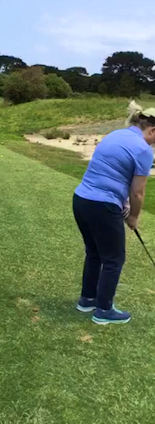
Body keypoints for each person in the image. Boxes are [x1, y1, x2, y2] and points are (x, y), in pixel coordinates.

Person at [73, 101, 155, 325]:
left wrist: (124, 206)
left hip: (81, 199)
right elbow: (137, 193)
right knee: (114, 259)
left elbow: (117, 175)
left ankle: (87, 300)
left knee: (95, 253)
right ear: (152, 130)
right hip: (103, 205)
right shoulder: (143, 150)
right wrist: (133, 217)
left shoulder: (115, 134)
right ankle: (104, 311)